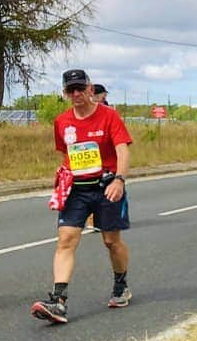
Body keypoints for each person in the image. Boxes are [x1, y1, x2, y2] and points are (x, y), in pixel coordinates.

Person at [31, 69, 134, 324]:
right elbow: (65, 153)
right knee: (66, 239)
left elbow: (122, 150)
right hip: (77, 188)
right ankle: (58, 301)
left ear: (89, 88)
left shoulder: (109, 116)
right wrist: (64, 179)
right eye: (70, 90)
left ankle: (121, 285)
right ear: (65, 93)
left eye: (80, 88)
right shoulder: (62, 121)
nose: (76, 94)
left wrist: (119, 179)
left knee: (111, 241)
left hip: (107, 185)